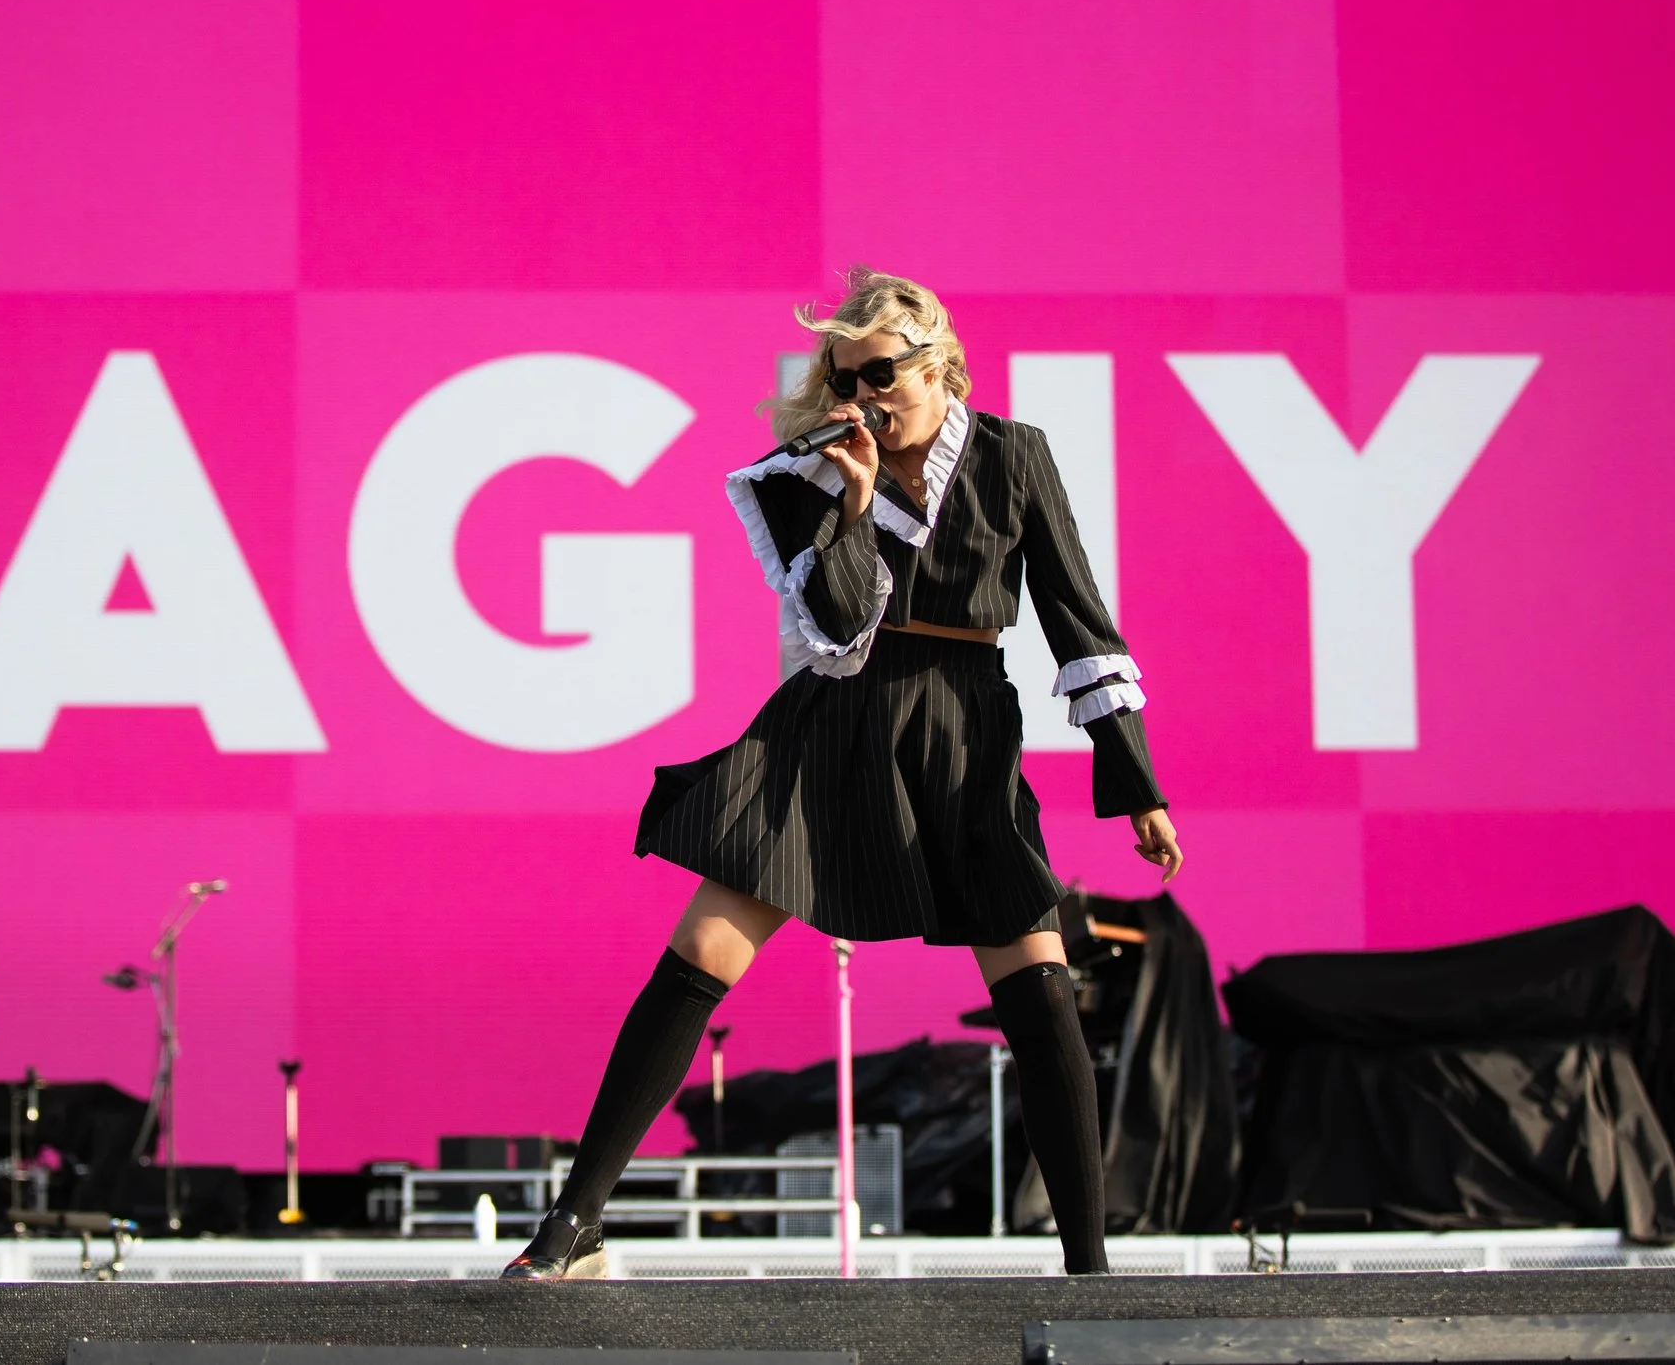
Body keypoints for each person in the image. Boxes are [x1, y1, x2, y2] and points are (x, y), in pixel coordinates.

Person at [504, 269, 1182, 1281]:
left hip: (962, 728)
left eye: (881, 374)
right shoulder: (814, 476)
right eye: (844, 377)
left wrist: (1132, 780)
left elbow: (1079, 623)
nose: (863, 397)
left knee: (1038, 995)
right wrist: (857, 504)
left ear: (937, 363)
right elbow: (831, 629)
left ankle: (1089, 1272)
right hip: (835, 718)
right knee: (699, 948)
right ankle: (573, 1228)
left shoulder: (1012, 456)